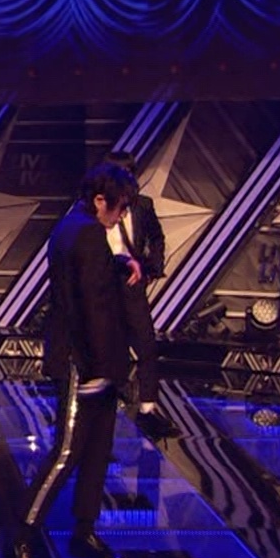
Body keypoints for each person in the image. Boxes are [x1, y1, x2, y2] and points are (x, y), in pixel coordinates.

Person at [10, 162, 137, 558]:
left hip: (96, 360)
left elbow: (90, 278)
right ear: (100, 200)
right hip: (83, 362)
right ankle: (22, 538)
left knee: (98, 449)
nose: (121, 215)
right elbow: (90, 305)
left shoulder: (74, 227)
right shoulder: (86, 233)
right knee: (67, 453)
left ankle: (85, 531)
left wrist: (119, 263)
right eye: (119, 207)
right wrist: (101, 368)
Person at [103, 150, 173, 440]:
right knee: (106, 343)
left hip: (132, 282)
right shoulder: (97, 206)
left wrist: (152, 267)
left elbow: (157, 237)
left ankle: (148, 408)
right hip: (103, 281)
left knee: (146, 343)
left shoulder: (143, 205)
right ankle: (106, 401)